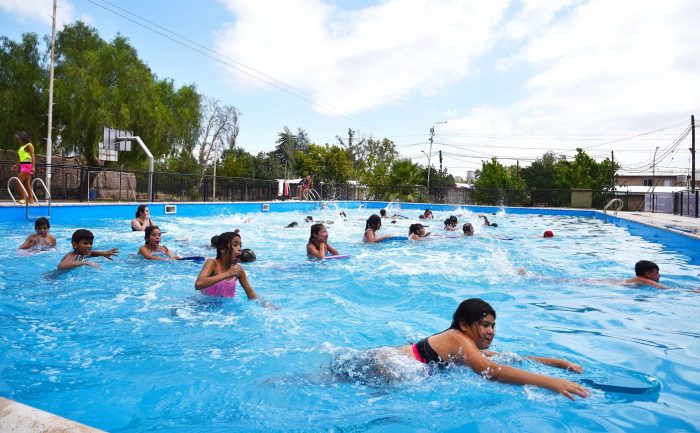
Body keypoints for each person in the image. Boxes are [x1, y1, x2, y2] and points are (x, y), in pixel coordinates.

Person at [333, 298, 588, 400]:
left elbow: (508, 358)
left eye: (493, 326)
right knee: (324, 381)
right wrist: (549, 382)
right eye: (484, 325)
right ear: (465, 325)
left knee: (331, 380)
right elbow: (490, 370)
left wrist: (556, 362)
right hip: (383, 364)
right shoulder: (459, 340)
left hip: (389, 364)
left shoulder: (465, 345)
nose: (491, 331)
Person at [195, 230, 259, 300]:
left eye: (240, 245)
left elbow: (251, 294)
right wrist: (227, 274)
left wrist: (266, 305)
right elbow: (198, 284)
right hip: (203, 306)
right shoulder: (212, 263)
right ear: (222, 249)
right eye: (235, 245)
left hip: (223, 309)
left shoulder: (238, 269)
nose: (240, 249)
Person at [11, 131, 36, 204]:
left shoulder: (29, 145)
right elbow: (23, 158)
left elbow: (32, 156)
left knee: (18, 181)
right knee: (26, 184)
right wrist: (16, 165)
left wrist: (33, 167)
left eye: (19, 138)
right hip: (23, 166)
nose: (18, 140)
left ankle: (24, 198)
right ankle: (31, 200)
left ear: (23, 137)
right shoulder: (22, 147)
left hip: (28, 166)